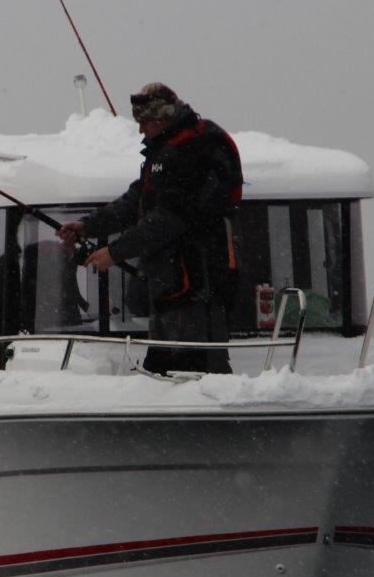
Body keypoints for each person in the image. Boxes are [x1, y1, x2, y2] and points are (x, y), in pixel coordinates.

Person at [56, 82, 242, 375]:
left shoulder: (190, 150)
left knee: (194, 375)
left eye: (144, 123)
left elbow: (168, 220)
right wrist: (87, 226)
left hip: (193, 288)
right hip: (167, 289)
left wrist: (114, 253)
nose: (141, 130)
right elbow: (138, 201)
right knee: (160, 376)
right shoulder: (164, 152)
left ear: (161, 119)